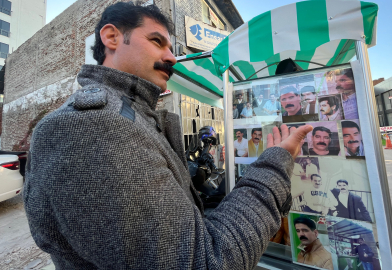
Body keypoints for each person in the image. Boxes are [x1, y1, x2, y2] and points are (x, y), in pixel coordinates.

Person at [23, 2, 314, 269]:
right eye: (156, 41)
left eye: (170, 47)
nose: (171, 58)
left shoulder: (130, 115)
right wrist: (276, 164)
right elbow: (204, 261)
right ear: (111, 38)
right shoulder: (94, 125)